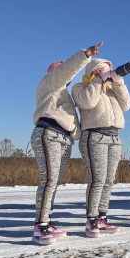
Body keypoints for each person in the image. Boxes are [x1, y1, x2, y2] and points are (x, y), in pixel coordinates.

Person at [30, 41, 101, 245]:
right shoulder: (50, 82)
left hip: (63, 138)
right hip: (49, 133)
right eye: (62, 70)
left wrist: (79, 133)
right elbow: (65, 71)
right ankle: (40, 225)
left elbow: (72, 122)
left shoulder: (63, 95)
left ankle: (46, 220)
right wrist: (85, 55)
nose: (68, 77)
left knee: (54, 182)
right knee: (49, 180)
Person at [71, 56, 130, 237]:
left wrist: (118, 82)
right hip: (94, 136)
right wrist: (98, 80)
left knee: (108, 181)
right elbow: (87, 102)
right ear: (92, 72)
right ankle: (91, 220)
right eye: (100, 70)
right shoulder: (80, 87)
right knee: (97, 180)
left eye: (106, 70)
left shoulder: (111, 90)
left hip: (114, 137)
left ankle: (101, 217)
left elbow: (127, 105)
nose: (104, 73)